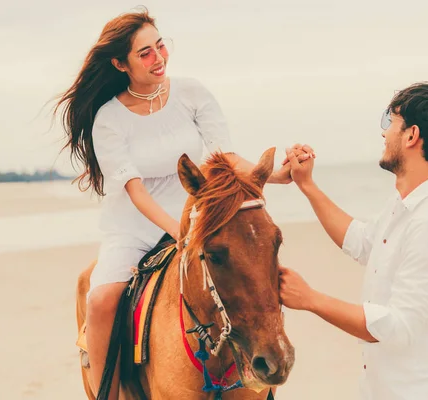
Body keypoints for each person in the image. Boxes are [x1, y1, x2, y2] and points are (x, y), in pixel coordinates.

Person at [53, 7, 312, 399]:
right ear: (120, 63)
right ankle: (109, 393)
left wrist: (277, 174)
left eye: (160, 46)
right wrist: (179, 231)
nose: (158, 58)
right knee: (102, 299)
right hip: (136, 227)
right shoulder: (108, 118)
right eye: (145, 53)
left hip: (200, 216)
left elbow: (226, 157)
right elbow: (135, 191)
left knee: (251, 273)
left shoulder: (192, 93)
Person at [279, 82, 428, 399]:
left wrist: (310, 299)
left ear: (411, 135)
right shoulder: (407, 203)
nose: (384, 133)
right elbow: (362, 242)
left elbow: (398, 327)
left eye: (390, 121)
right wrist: (307, 186)